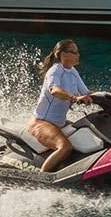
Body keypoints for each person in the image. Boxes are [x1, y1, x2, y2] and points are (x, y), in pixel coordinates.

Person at [29, 39, 93, 173]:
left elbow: (87, 93)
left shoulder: (73, 71)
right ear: (63, 55)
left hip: (60, 123)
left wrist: (108, 96)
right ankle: (42, 179)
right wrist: (74, 98)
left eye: (77, 52)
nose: (78, 55)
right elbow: (54, 90)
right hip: (41, 123)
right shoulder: (55, 71)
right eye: (74, 52)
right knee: (65, 147)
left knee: (87, 131)